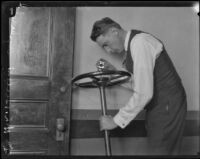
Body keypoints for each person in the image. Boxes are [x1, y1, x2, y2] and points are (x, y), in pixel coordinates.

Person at [90, 17, 187, 155]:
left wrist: (115, 121)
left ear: (114, 31)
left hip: (167, 104)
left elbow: (144, 93)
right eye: (103, 48)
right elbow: (140, 84)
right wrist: (114, 74)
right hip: (158, 106)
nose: (108, 51)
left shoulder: (139, 43)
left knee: (161, 151)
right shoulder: (132, 47)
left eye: (106, 44)